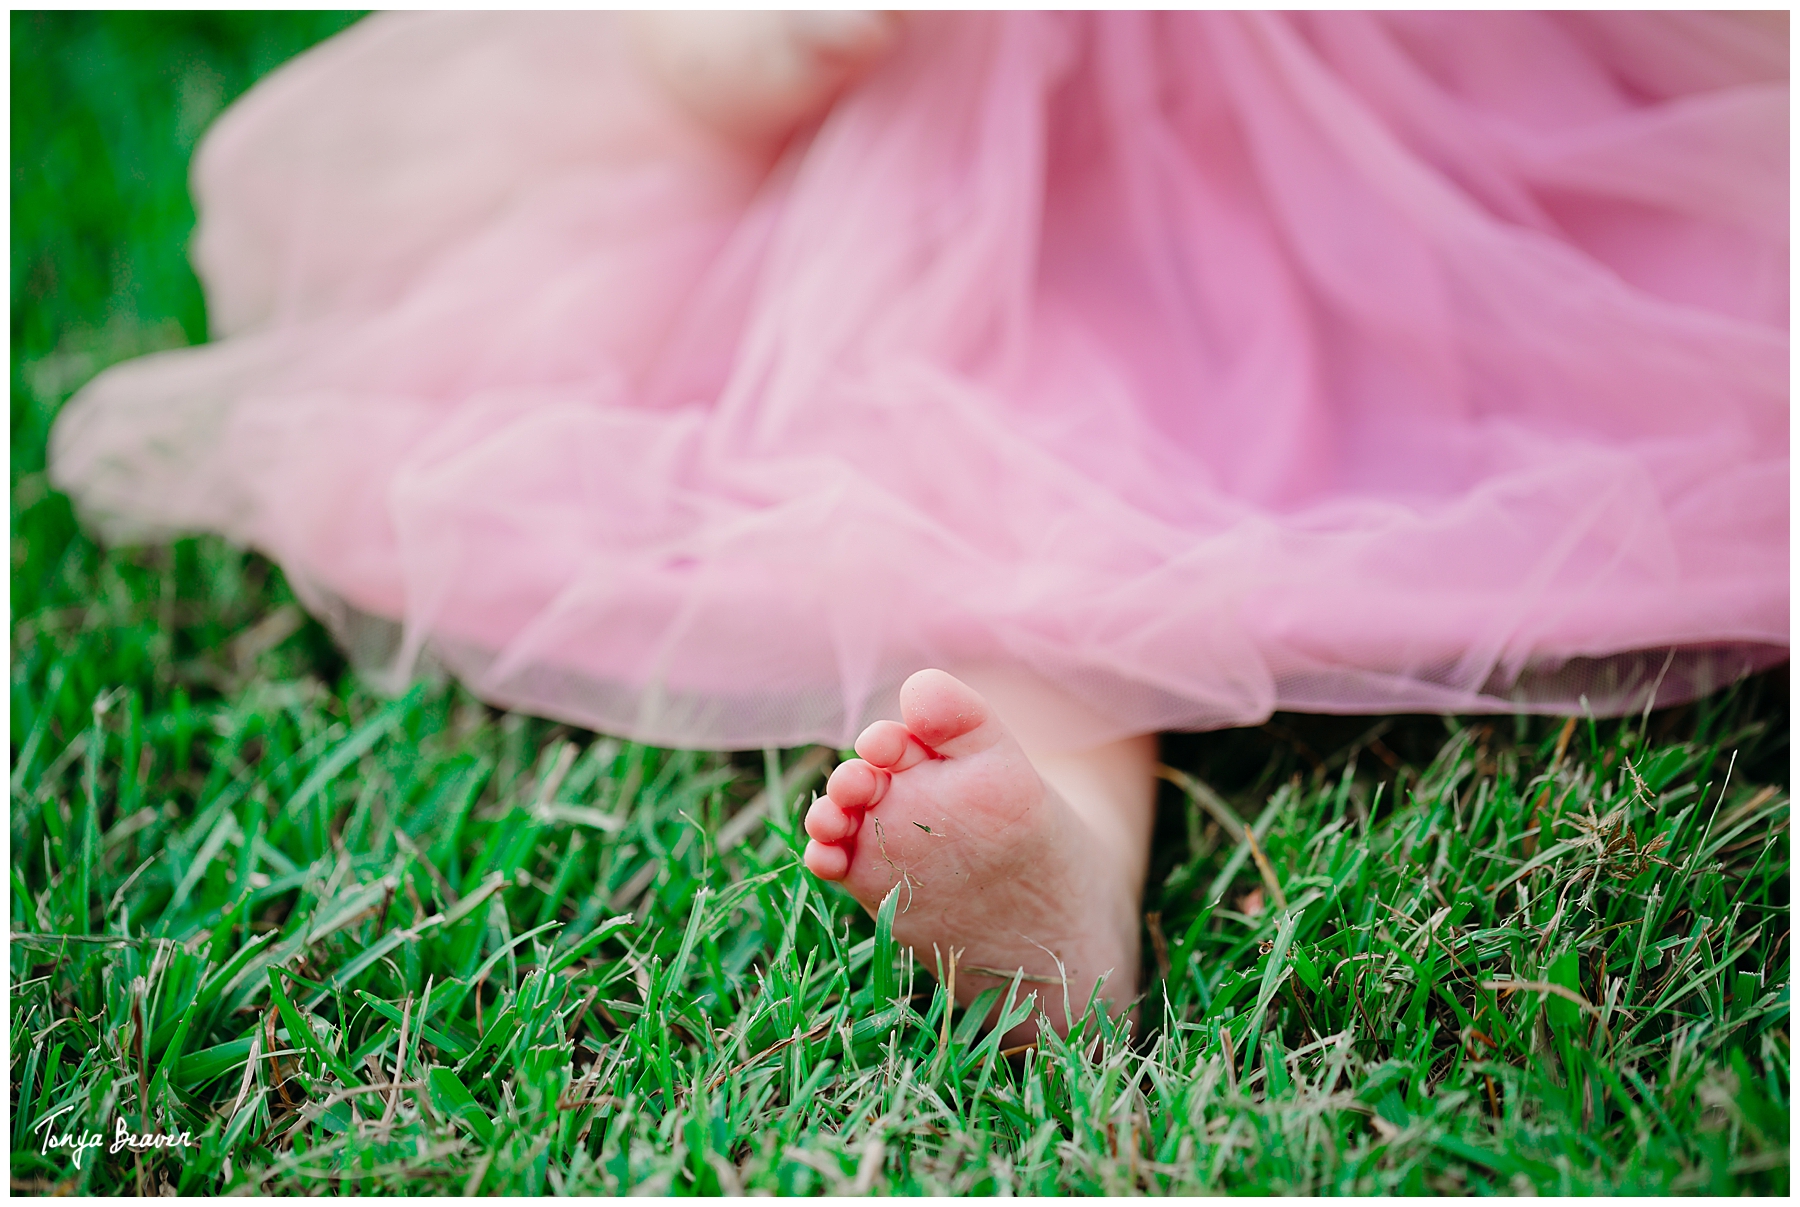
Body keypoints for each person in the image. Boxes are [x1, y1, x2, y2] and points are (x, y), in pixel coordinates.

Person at [50, 12, 1788, 1037]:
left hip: (1399, 174)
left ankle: (1064, 846)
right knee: (996, 535)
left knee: (1026, 509)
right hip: (960, 228)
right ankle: (1064, 882)